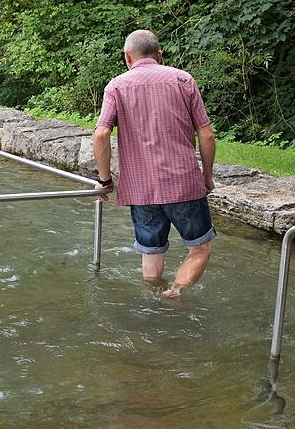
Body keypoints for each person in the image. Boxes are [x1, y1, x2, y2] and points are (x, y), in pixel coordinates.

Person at [92, 29, 217, 298]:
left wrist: (105, 180)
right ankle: (177, 291)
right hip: (184, 185)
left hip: (141, 191)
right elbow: (206, 134)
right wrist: (207, 176)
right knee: (200, 249)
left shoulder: (116, 86)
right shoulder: (183, 80)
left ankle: (153, 300)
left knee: (151, 255)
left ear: (127, 56)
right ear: (159, 55)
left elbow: (101, 133)